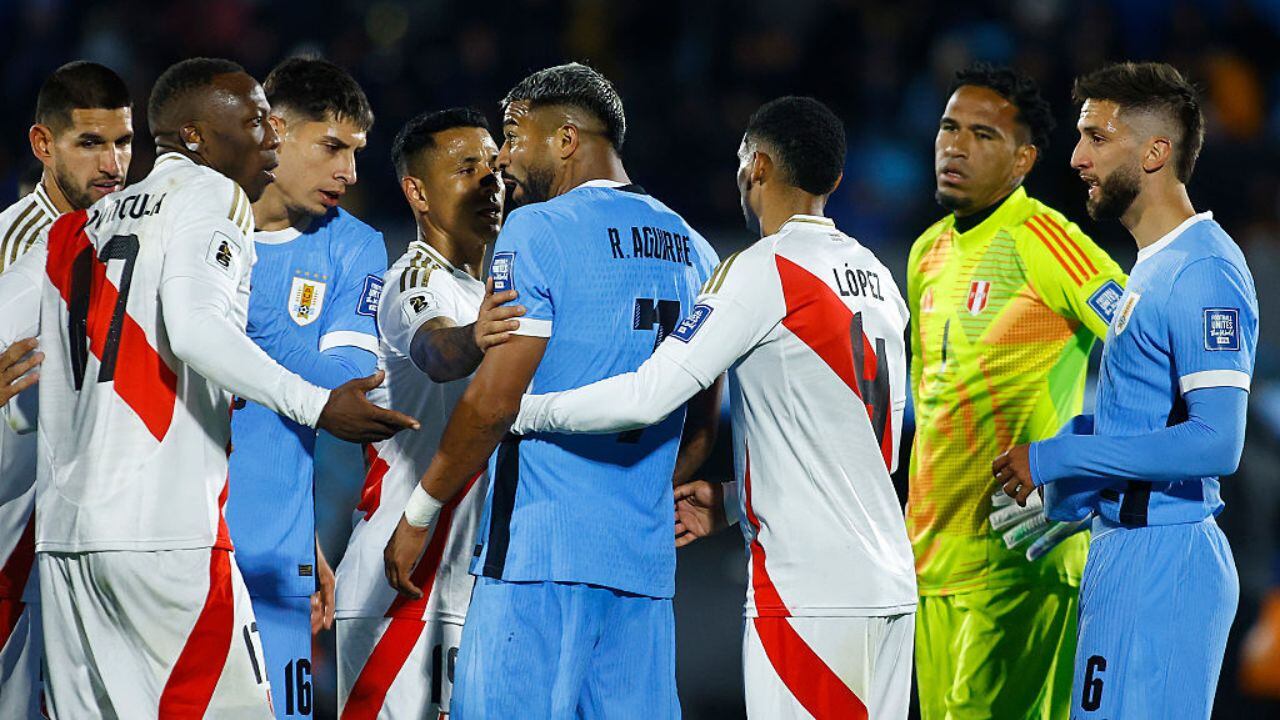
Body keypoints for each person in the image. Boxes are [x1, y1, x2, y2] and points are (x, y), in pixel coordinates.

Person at [0, 57, 416, 718]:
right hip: (166, 538)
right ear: (196, 137)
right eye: (254, 123)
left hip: (66, 544)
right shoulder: (210, 195)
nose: (269, 140)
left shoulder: (82, 225)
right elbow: (195, 329)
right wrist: (316, 403)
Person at [507, 95, 918, 718]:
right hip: (888, 579)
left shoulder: (765, 271)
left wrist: (527, 410)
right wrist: (731, 500)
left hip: (809, 589)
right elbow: (862, 443)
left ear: (755, 166)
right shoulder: (879, 277)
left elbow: (648, 394)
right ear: (833, 180)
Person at [382, 62, 719, 719]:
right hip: (643, 568)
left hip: (537, 557)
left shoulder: (536, 230)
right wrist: (638, 493)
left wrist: (419, 514)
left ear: (566, 139)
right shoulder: (697, 250)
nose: (502, 158)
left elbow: (492, 403)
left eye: (512, 135)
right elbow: (702, 422)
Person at [996, 61, 1257, 720]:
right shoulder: (1153, 267)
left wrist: (1057, 461)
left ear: (1155, 152)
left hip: (1165, 564)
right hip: (1129, 552)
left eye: (1097, 137)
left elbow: (1215, 440)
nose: (1079, 157)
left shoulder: (1203, 272)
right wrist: (1078, 490)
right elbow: (1145, 415)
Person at [907, 63, 1126, 720]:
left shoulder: (1045, 240)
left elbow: (1150, 348)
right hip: (932, 565)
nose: (955, 145)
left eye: (982, 134)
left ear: (1024, 158)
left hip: (1016, 563)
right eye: (949, 127)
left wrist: (1084, 472)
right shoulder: (926, 254)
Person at [336, 107, 518, 720]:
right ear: (417, 191)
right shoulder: (411, 281)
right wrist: (478, 338)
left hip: (470, 580)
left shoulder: (492, 287)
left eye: (493, 168)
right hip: (399, 580)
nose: (489, 184)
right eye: (467, 169)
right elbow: (438, 352)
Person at [223, 56, 385, 719]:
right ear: (277, 130)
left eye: (356, 152)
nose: (348, 171)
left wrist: (231, 329)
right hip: (169, 547)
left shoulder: (354, 247)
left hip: (274, 560)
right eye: (332, 147)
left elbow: (348, 381)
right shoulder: (194, 226)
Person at [0, 59, 133, 720]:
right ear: (44, 146)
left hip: (86, 537)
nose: (113, 164)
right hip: (13, 541)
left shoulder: (123, 242)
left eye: (124, 142)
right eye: (90, 143)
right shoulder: (19, 248)